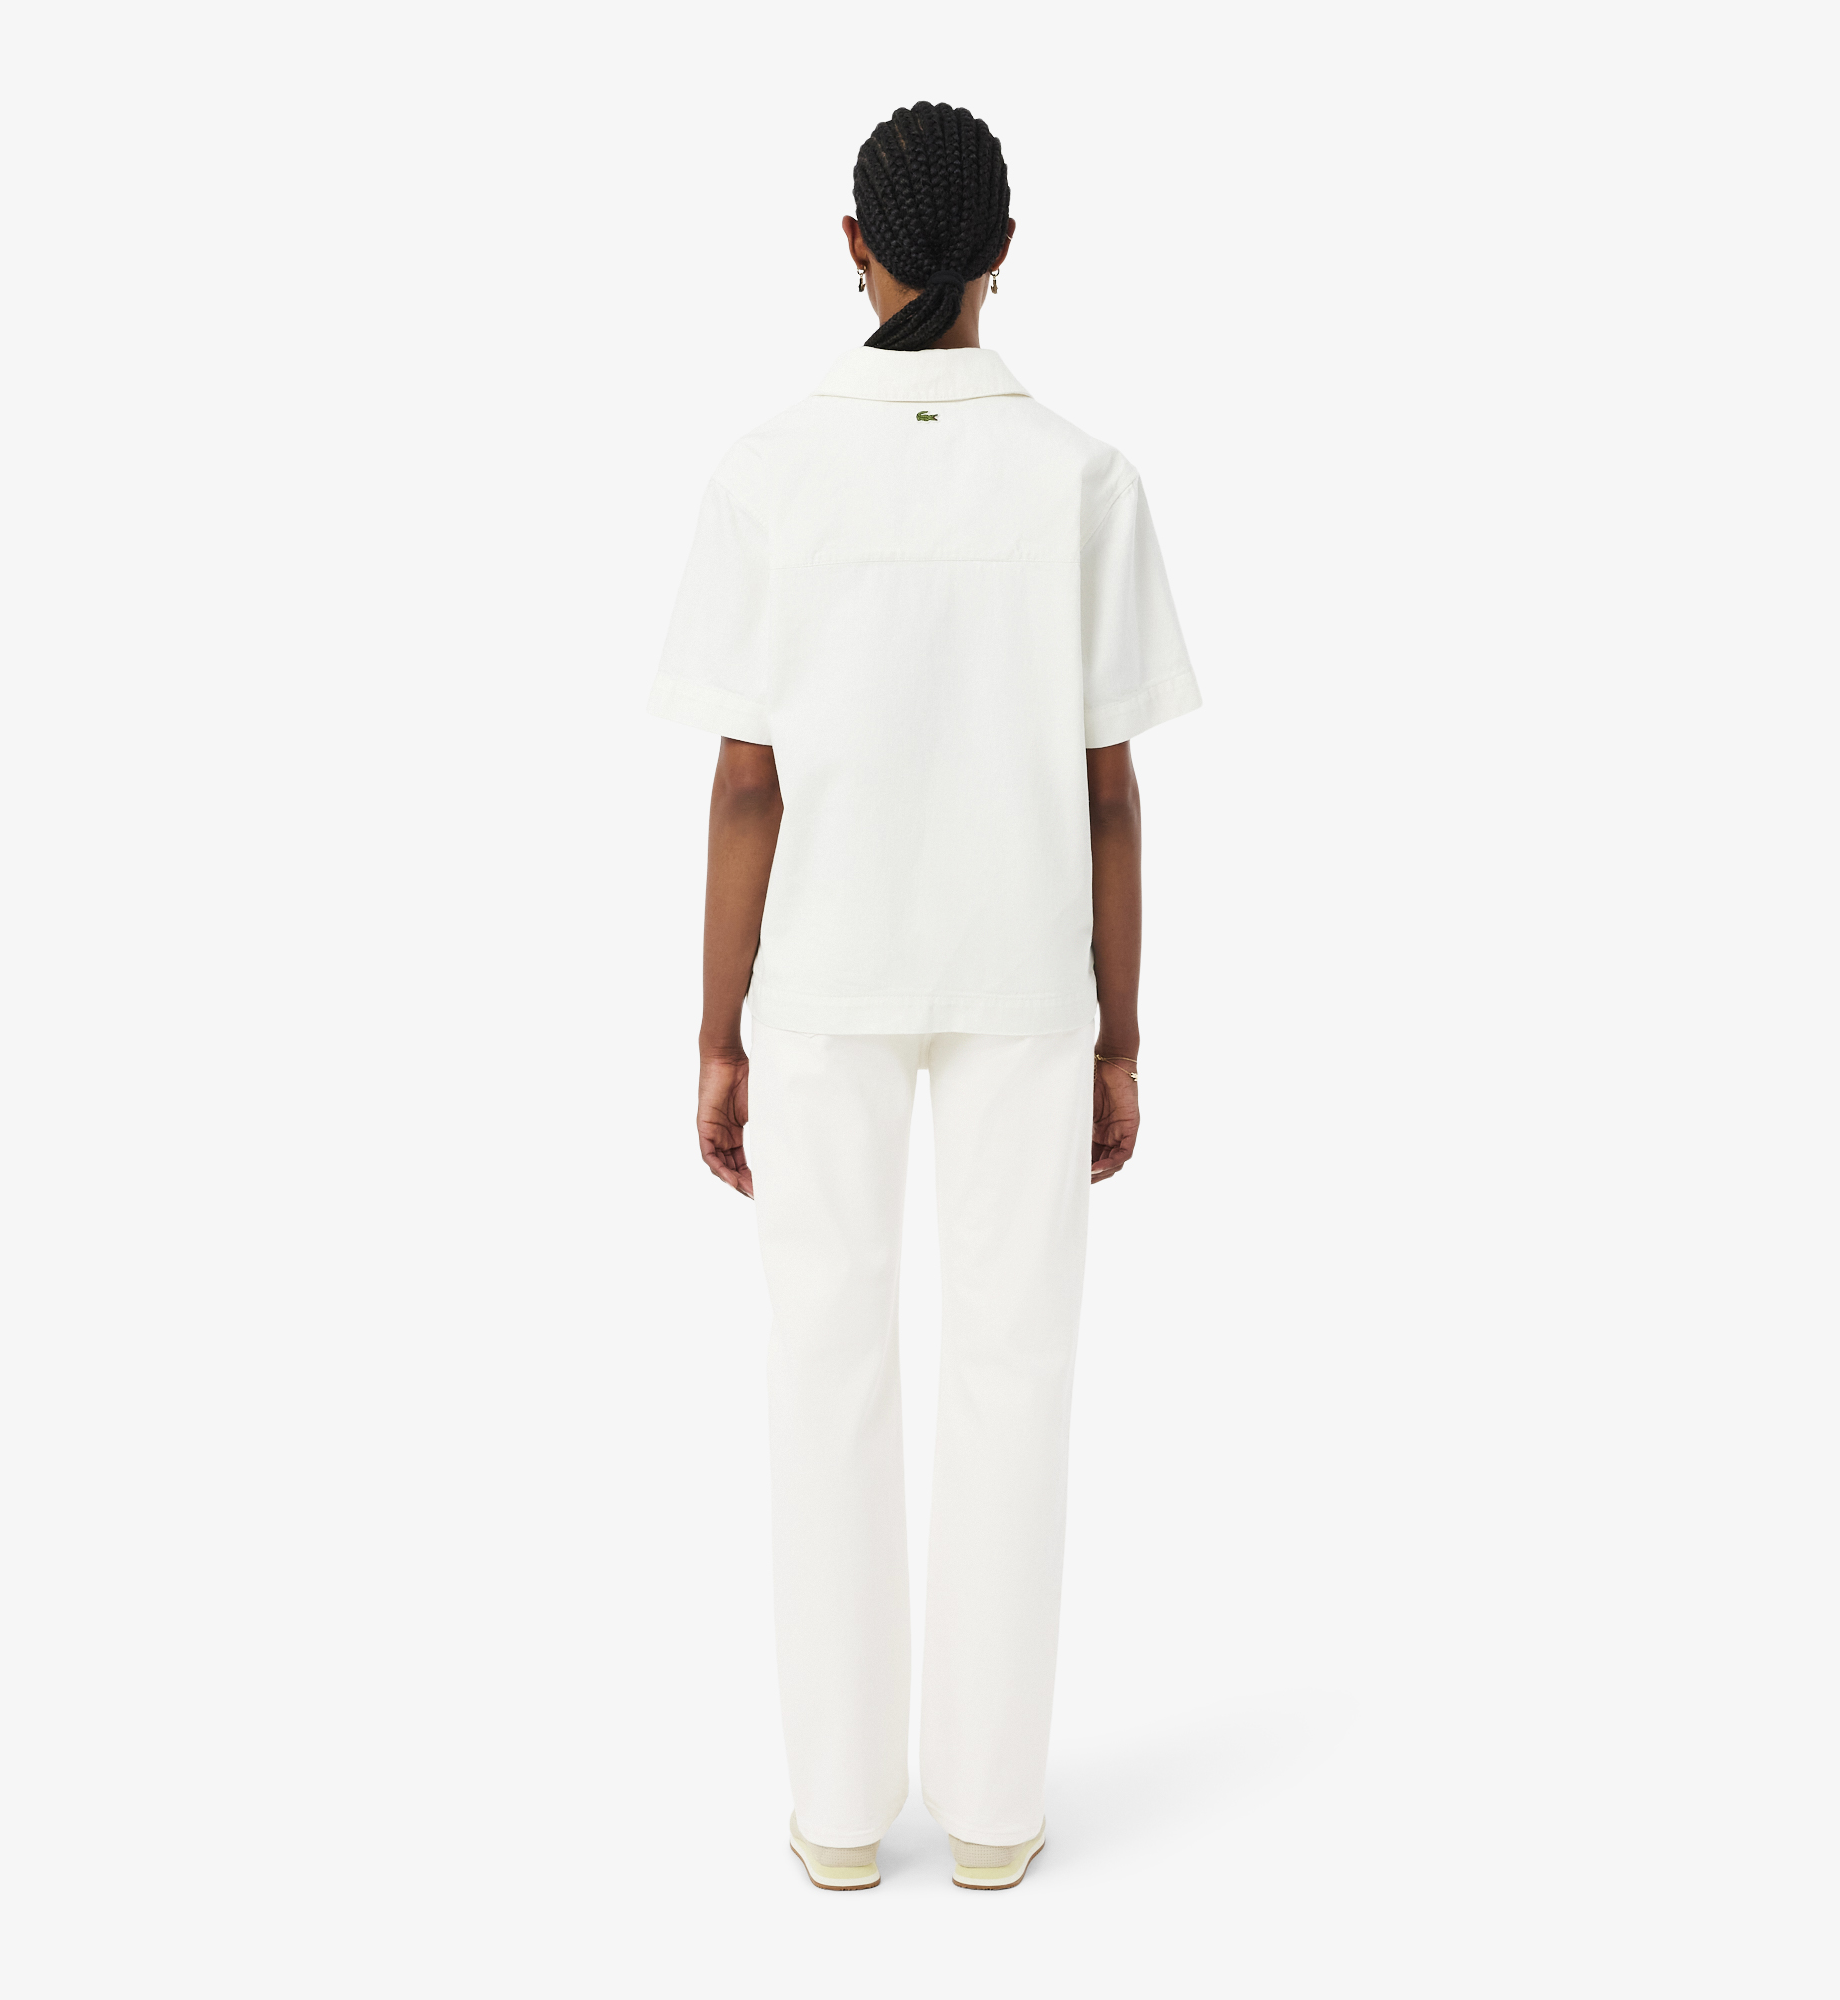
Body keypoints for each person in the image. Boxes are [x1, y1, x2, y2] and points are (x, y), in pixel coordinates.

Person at [649, 101, 1200, 1892]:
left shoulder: (767, 473)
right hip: (1028, 977)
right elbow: (1109, 793)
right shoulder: (1083, 479)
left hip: (820, 981)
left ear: (855, 246)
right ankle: (993, 1812)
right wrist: (1124, 1032)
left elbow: (747, 783)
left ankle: (834, 1814)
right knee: (1014, 1371)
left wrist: (716, 1030)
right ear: (1003, 254)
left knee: (825, 1370)